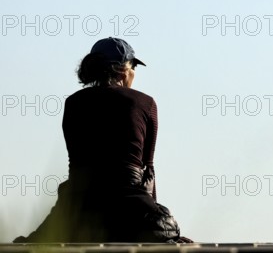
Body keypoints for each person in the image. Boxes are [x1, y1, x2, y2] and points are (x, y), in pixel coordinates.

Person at [13, 37, 192, 243]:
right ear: (125, 69)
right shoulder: (145, 103)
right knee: (171, 232)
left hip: (78, 209)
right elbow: (148, 171)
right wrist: (159, 225)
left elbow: (75, 163)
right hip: (130, 209)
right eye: (134, 66)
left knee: (29, 243)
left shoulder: (73, 103)